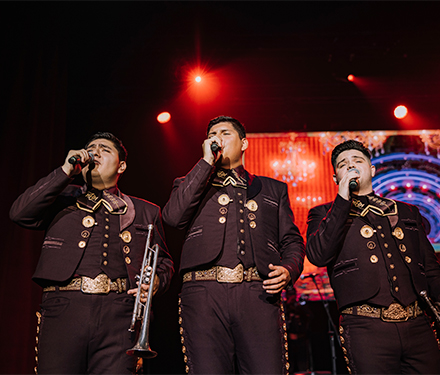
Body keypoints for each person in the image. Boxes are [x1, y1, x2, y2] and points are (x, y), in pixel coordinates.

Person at [10, 132, 174, 374]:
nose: (95, 152)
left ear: (122, 165)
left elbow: (164, 261)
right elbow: (19, 213)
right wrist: (65, 172)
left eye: (105, 149)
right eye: (91, 147)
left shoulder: (145, 210)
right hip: (65, 309)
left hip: (120, 315)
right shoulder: (60, 198)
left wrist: (157, 281)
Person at [162, 115, 305, 374]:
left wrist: (288, 270)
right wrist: (206, 164)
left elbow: (292, 240)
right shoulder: (189, 184)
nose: (217, 138)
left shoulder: (273, 189)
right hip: (204, 292)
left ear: (244, 144)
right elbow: (172, 217)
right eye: (212, 134)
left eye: (225, 133)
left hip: (257, 292)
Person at [306, 139, 440, 374]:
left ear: (372, 169)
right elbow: (318, 254)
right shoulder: (322, 213)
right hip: (365, 326)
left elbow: (429, 268)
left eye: (357, 161)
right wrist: (342, 201)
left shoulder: (407, 211)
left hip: (418, 323)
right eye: (342, 164)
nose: (351, 166)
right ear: (336, 177)